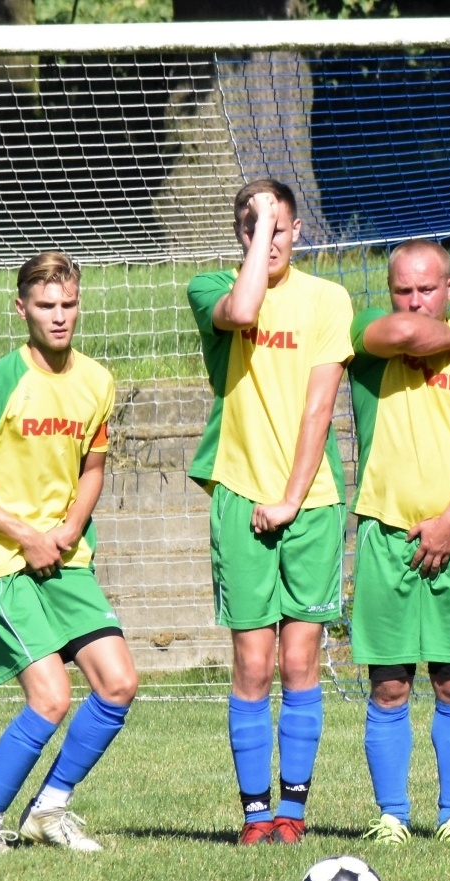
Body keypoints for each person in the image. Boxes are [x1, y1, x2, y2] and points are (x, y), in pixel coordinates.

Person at [0, 252, 139, 854]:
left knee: (119, 682)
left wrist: (69, 529)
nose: (60, 317)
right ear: (21, 307)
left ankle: (49, 811)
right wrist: (27, 535)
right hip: (3, 562)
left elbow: (93, 468)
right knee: (51, 697)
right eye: (46, 306)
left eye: (69, 304)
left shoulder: (97, 381)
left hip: (66, 556)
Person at [186, 179, 353, 846]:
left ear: (300, 229)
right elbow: (246, 306)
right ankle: (255, 814)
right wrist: (257, 232)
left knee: (300, 662)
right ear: (241, 236)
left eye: (280, 226)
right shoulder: (210, 289)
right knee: (253, 662)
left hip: (309, 503)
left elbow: (319, 408)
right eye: (256, 228)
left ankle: (293, 810)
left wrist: (289, 498)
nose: (271, 239)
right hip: (238, 496)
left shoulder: (328, 299)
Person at [346, 240, 450, 845]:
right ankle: (392, 817)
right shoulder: (368, 338)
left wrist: (448, 524)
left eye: (426, 289)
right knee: (388, 684)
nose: (415, 301)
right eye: (403, 290)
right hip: (383, 533)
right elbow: (405, 335)